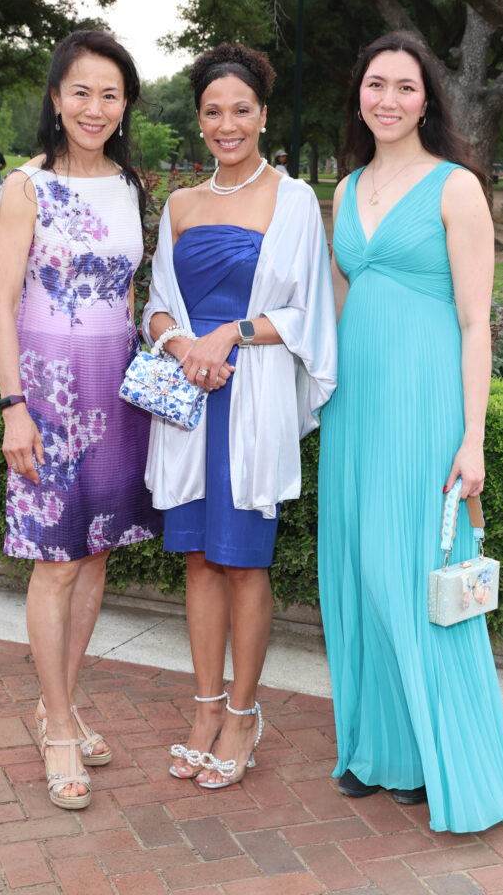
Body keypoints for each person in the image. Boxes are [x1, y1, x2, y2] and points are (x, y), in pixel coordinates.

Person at [318, 31, 503, 833]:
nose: (388, 100)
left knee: (410, 569)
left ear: (427, 100)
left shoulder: (455, 188)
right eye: (375, 84)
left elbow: (475, 321)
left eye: (405, 88)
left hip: (424, 404)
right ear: (359, 95)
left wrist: (470, 437)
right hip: (353, 410)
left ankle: (427, 756)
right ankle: (374, 748)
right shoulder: (345, 189)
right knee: (357, 569)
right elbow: (340, 310)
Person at [143, 42, 336, 789]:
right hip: (190, 403)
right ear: (198, 121)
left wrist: (230, 333)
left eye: (241, 111)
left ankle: (245, 713)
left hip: (250, 402)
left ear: (261, 115)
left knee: (243, 562)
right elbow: (155, 303)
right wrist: (182, 340)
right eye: (213, 112)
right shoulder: (180, 205)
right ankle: (203, 707)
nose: (228, 125)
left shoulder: (291, 201)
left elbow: (310, 313)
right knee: (198, 559)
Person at [0, 29, 161, 811]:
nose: (96, 106)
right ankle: (57, 727)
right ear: (56, 99)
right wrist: (13, 407)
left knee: (94, 557)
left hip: (113, 392)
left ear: (125, 105)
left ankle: (59, 703)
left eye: (111, 93)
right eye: (81, 91)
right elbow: (2, 306)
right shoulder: (25, 187)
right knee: (53, 561)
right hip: (47, 395)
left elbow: (127, 299)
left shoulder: (129, 184)